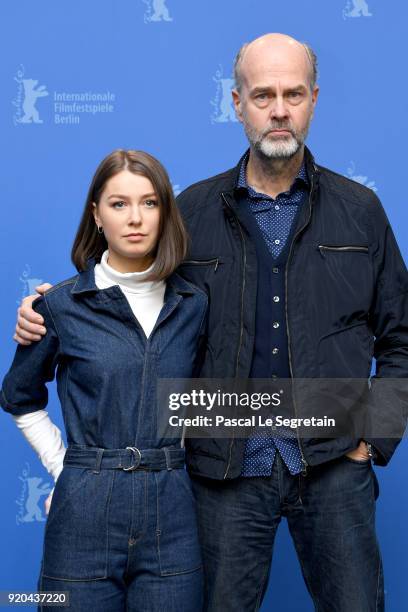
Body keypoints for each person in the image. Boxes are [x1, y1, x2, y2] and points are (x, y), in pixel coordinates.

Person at [14, 33, 408, 612]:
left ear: (315, 100)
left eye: (293, 94)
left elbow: (401, 338)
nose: (279, 110)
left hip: (332, 465)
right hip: (223, 473)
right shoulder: (191, 212)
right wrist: (47, 307)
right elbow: (130, 286)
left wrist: (374, 440)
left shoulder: (360, 211)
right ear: (236, 103)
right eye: (263, 95)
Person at [2, 149, 207, 611]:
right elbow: (19, 396)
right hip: (84, 511)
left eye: (149, 203)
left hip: (173, 512)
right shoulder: (58, 306)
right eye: (118, 204)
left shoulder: (193, 304)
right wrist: (67, 470)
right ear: (96, 215)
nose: (135, 218)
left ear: (165, 213)